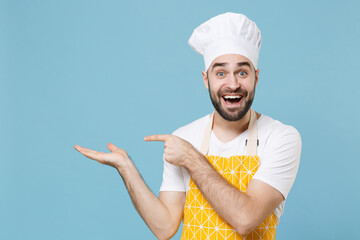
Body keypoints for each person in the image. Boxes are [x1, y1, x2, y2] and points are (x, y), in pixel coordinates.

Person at [74, 12, 301, 240]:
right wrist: (126, 167)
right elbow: (164, 228)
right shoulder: (185, 137)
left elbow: (245, 218)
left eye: (242, 72)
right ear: (206, 79)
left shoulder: (281, 138)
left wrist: (191, 158)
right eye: (220, 73)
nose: (232, 84)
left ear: (256, 77)